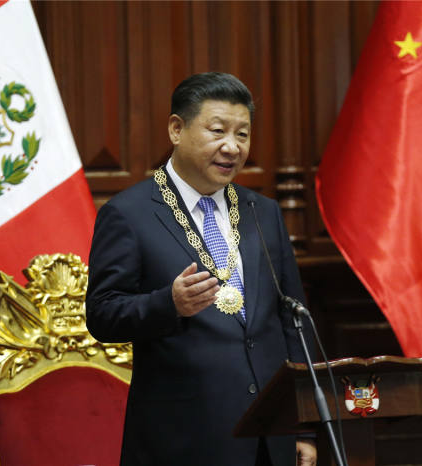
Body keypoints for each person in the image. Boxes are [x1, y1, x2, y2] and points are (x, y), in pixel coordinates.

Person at [86, 72, 317, 466]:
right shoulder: (129, 214)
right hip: (184, 439)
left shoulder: (262, 212)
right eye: (218, 131)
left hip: (270, 438)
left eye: (242, 134)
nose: (232, 147)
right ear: (177, 129)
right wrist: (168, 304)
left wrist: (304, 428)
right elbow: (102, 314)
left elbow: (293, 322)